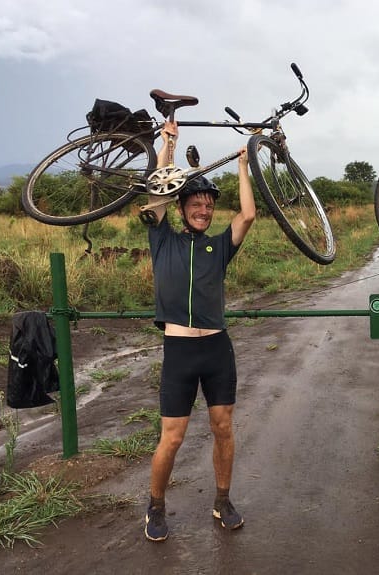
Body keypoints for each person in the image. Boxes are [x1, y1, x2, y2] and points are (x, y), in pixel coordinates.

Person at [143, 120, 256, 542]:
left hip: (216, 349)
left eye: (209, 205)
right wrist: (166, 146)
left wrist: (244, 166)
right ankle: (155, 506)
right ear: (182, 206)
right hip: (179, 352)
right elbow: (157, 191)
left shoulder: (219, 246)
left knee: (223, 427)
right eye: (196, 204)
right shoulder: (162, 238)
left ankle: (223, 500)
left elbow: (248, 214)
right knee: (171, 438)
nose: (204, 211)